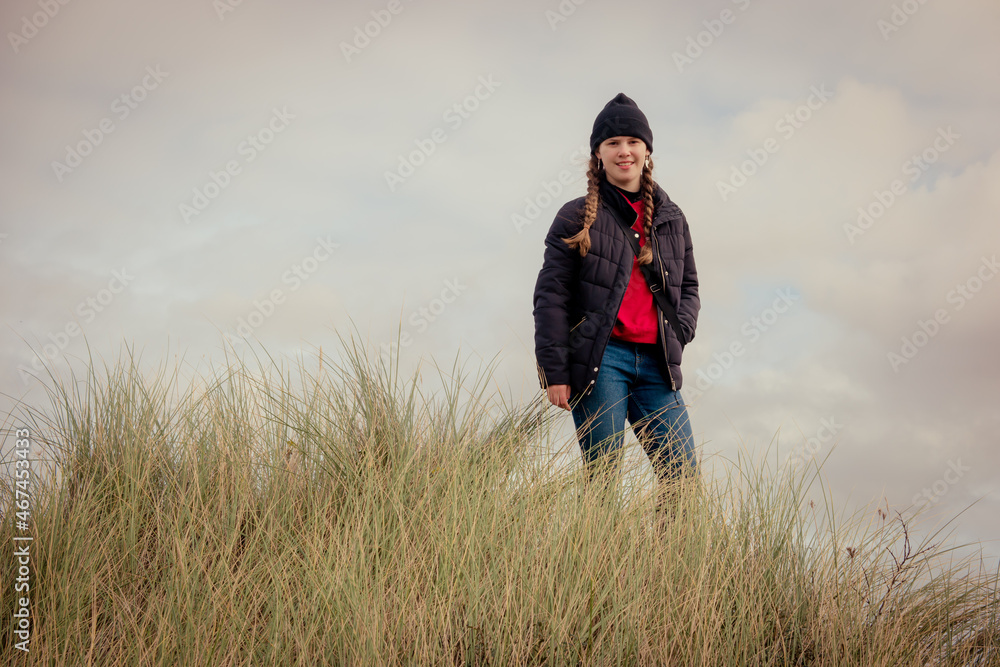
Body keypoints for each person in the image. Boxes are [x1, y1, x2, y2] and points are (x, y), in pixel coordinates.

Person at [532, 92, 700, 510]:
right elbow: (551, 296)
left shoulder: (671, 217)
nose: (624, 151)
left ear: (647, 151)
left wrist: (683, 330)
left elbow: (690, 285)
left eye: (632, 142)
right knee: (604, 480)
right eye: (612, 144)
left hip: (658, 367)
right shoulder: (576, 216)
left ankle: (665, 571)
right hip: (601, 361)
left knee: (683, 483)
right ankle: (595, 571)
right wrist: (554, 371)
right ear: (598, 154)